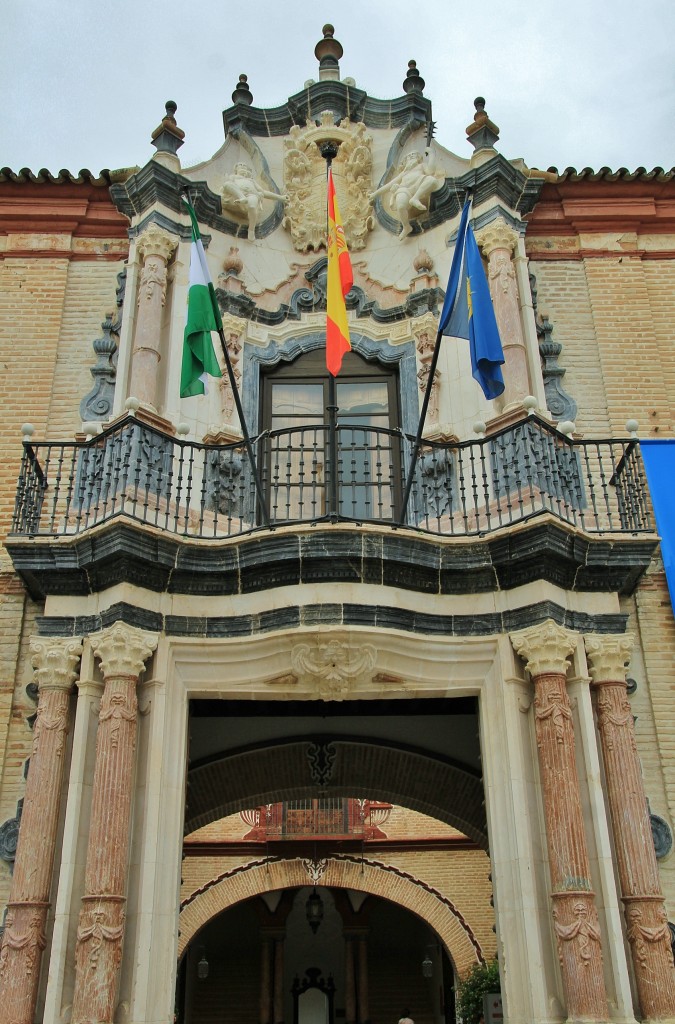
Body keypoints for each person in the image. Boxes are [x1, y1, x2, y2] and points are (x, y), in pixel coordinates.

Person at [369, 151, 444, 239]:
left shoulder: (421, 166)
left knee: (432, 180)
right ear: (404, 163)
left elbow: (431, 171)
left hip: (419, 184)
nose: (411, 157)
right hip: (404, 189)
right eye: (408, 156)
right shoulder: (404, 173)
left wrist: (431, 155)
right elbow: (389, 185)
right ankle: (406, 227)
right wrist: (374, 194)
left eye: (413, 155)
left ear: (418, 158)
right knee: (401, 206)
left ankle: (415, 198)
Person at [220, 163, 286, 240]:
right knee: (227, 184)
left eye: (245, 166)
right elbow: (226, 186)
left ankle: (251, 229)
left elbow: (263, 192)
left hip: (251, 195)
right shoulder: (233, 177)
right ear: (236, 170)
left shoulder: (251, 181)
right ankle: (242, 197)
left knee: (252, 206)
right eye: (240, 166)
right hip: (236, 195)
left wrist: (280, 197)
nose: (243, 167)